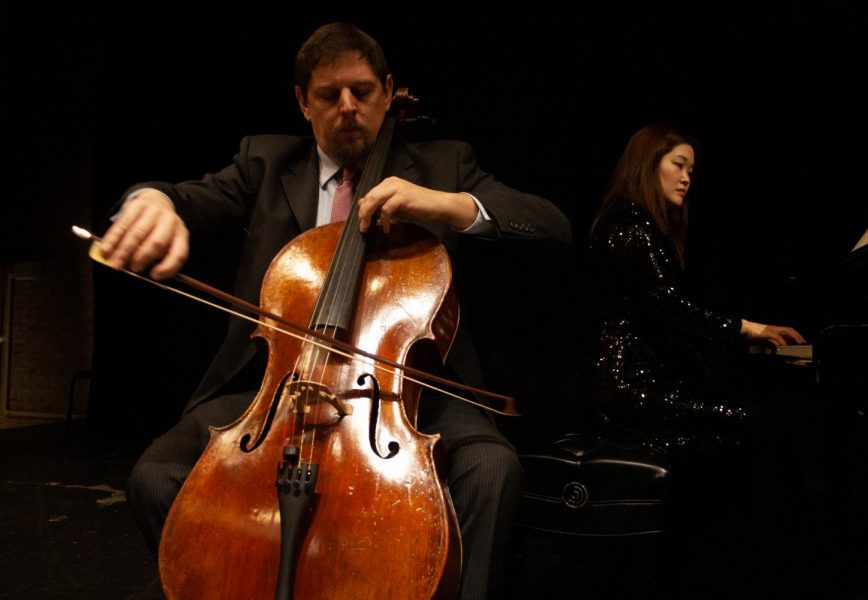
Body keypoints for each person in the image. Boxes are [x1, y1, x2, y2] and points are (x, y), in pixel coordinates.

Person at [100, 22, 571, 599]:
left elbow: (551, 226)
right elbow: (192, 195)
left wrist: (449, 205)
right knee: (155, 476)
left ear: (388, 88)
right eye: (329, 95)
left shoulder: (444, 163)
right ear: (303, 102)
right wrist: (154, 199)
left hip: (406, 392)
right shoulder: (265, 162)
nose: (348, 107)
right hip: (275, 391)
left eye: (364, 92)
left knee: (492, 472)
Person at [583, 122, 806, 596]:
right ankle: (742, 572)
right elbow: (670, 309)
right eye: (677, 165)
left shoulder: (638, 224)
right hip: (630, 388)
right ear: (649, 164)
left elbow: (672, 322)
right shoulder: (628, 224)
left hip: (650, 380)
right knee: (750, 428)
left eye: (691, 169)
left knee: (750, 425)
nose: (687, 177)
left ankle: (722, 564)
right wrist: (752, 328)